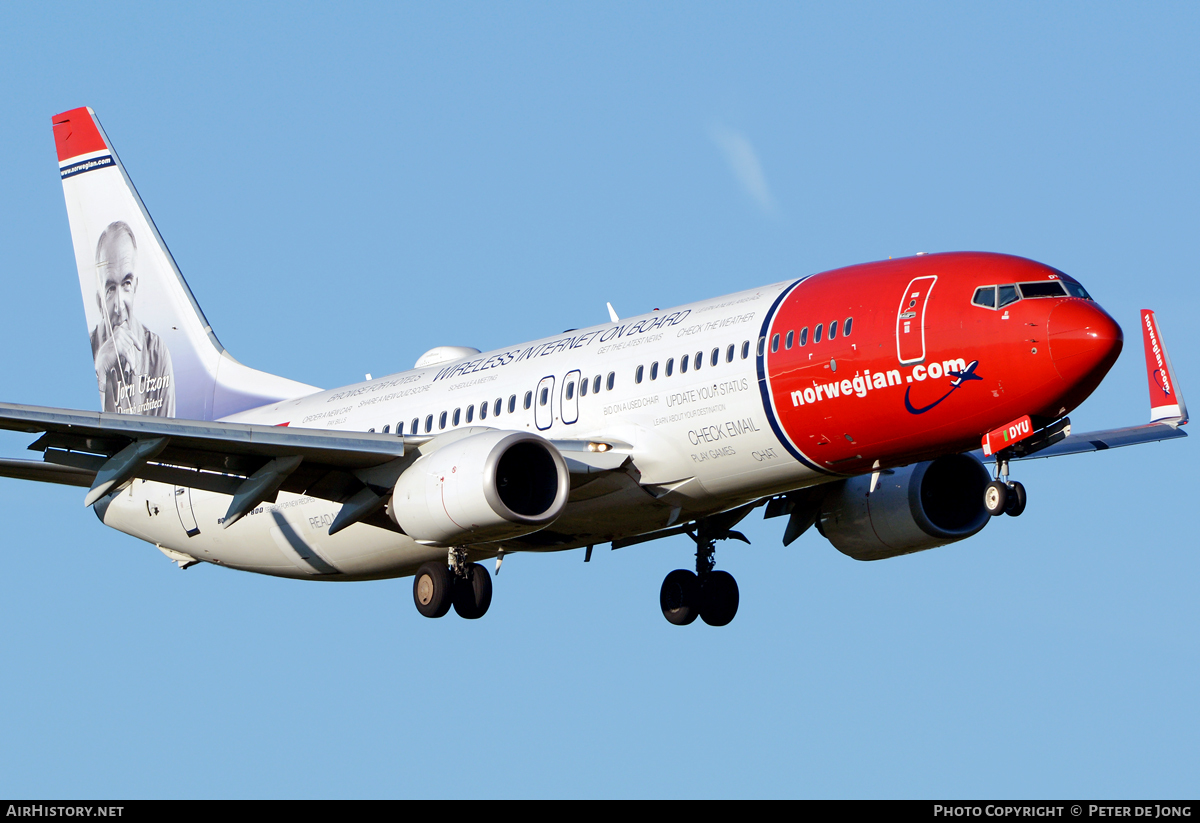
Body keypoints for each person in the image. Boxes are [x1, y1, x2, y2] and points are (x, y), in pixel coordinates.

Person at [90, 221, 175, 417]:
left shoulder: (156, 353)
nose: (120, 306)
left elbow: (167, 436)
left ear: (135, 286)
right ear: (99, 301)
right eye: (111, 289)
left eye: (126, 284)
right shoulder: (87, 349)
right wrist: (99, 370)